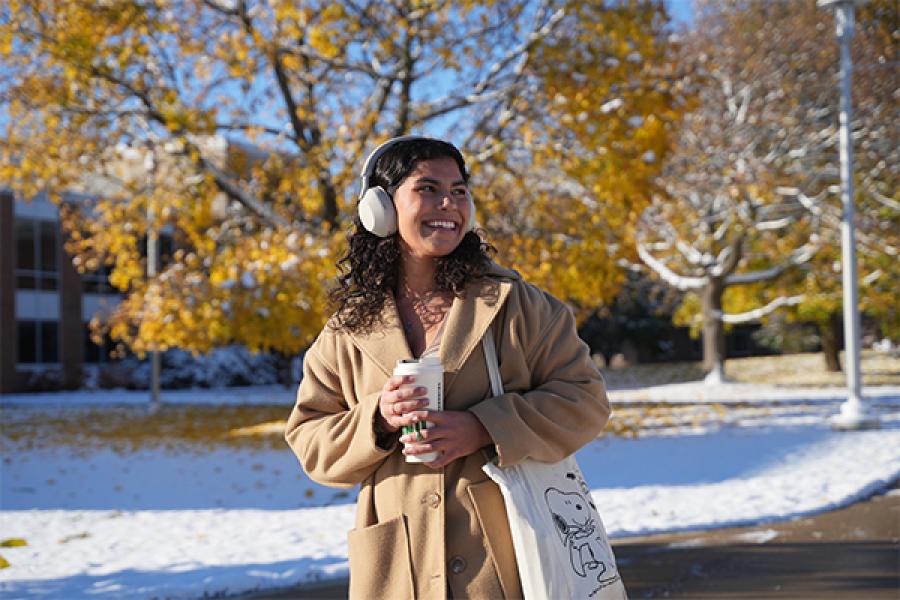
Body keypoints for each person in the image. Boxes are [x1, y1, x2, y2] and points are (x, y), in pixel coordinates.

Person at [284, 136, 610, 599]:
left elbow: (586, 401)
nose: (448, 204)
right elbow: (310, 441)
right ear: (380, 206)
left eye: (459, 191)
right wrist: (377, 417)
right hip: (398, 569)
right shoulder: (346, 331)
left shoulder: (520, 307)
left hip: (506, 564)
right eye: (429, 189)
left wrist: (483, 427)